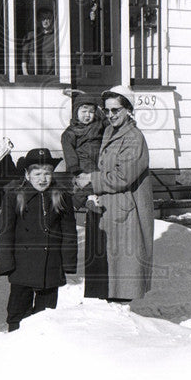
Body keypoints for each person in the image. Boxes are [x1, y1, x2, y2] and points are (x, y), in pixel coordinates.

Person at [73, 86, 154, 302]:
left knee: (122, 276)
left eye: (116, 110)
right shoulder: (110, 131)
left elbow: (122, 177)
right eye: (107, 111)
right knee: (107, 273)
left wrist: (92, 178)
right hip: (108, 207)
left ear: (128, 110)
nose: (111, 115)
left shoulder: (134, 138)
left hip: (126, 211)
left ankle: (123, 325)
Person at [0, 148, 77, 331]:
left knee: (46, 316)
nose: (43, 179)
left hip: (51, 266)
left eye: (47, 173)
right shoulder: (14, 195)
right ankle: (14, 344)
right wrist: (7, 264)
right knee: (18, 313)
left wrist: (68, 263)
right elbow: (6, 233)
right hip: (22, 267)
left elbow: (69, 233)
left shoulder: (61, 195)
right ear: (27, 174)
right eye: (37, 174)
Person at [60, 91, 108, 298]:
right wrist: (77, 172)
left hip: (101, 168)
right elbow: (70, 157)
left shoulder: (101, 127)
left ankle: (90, 197)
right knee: (84, 188)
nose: (87, 115)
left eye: (91, 111)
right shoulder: (69, 133)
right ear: (75, 112)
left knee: (97, 183)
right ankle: (87, 198)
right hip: (82, 169)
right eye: (83, 111)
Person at [20, 8, 56, 76]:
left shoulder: (56, 37)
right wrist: (25, 74)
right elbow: (24, 57)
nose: (46, 21)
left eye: (48, 18)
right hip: (33, 75)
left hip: (51, 75)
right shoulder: (30, 35)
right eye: (43, 18)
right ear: (38, 20)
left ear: (52, 20)